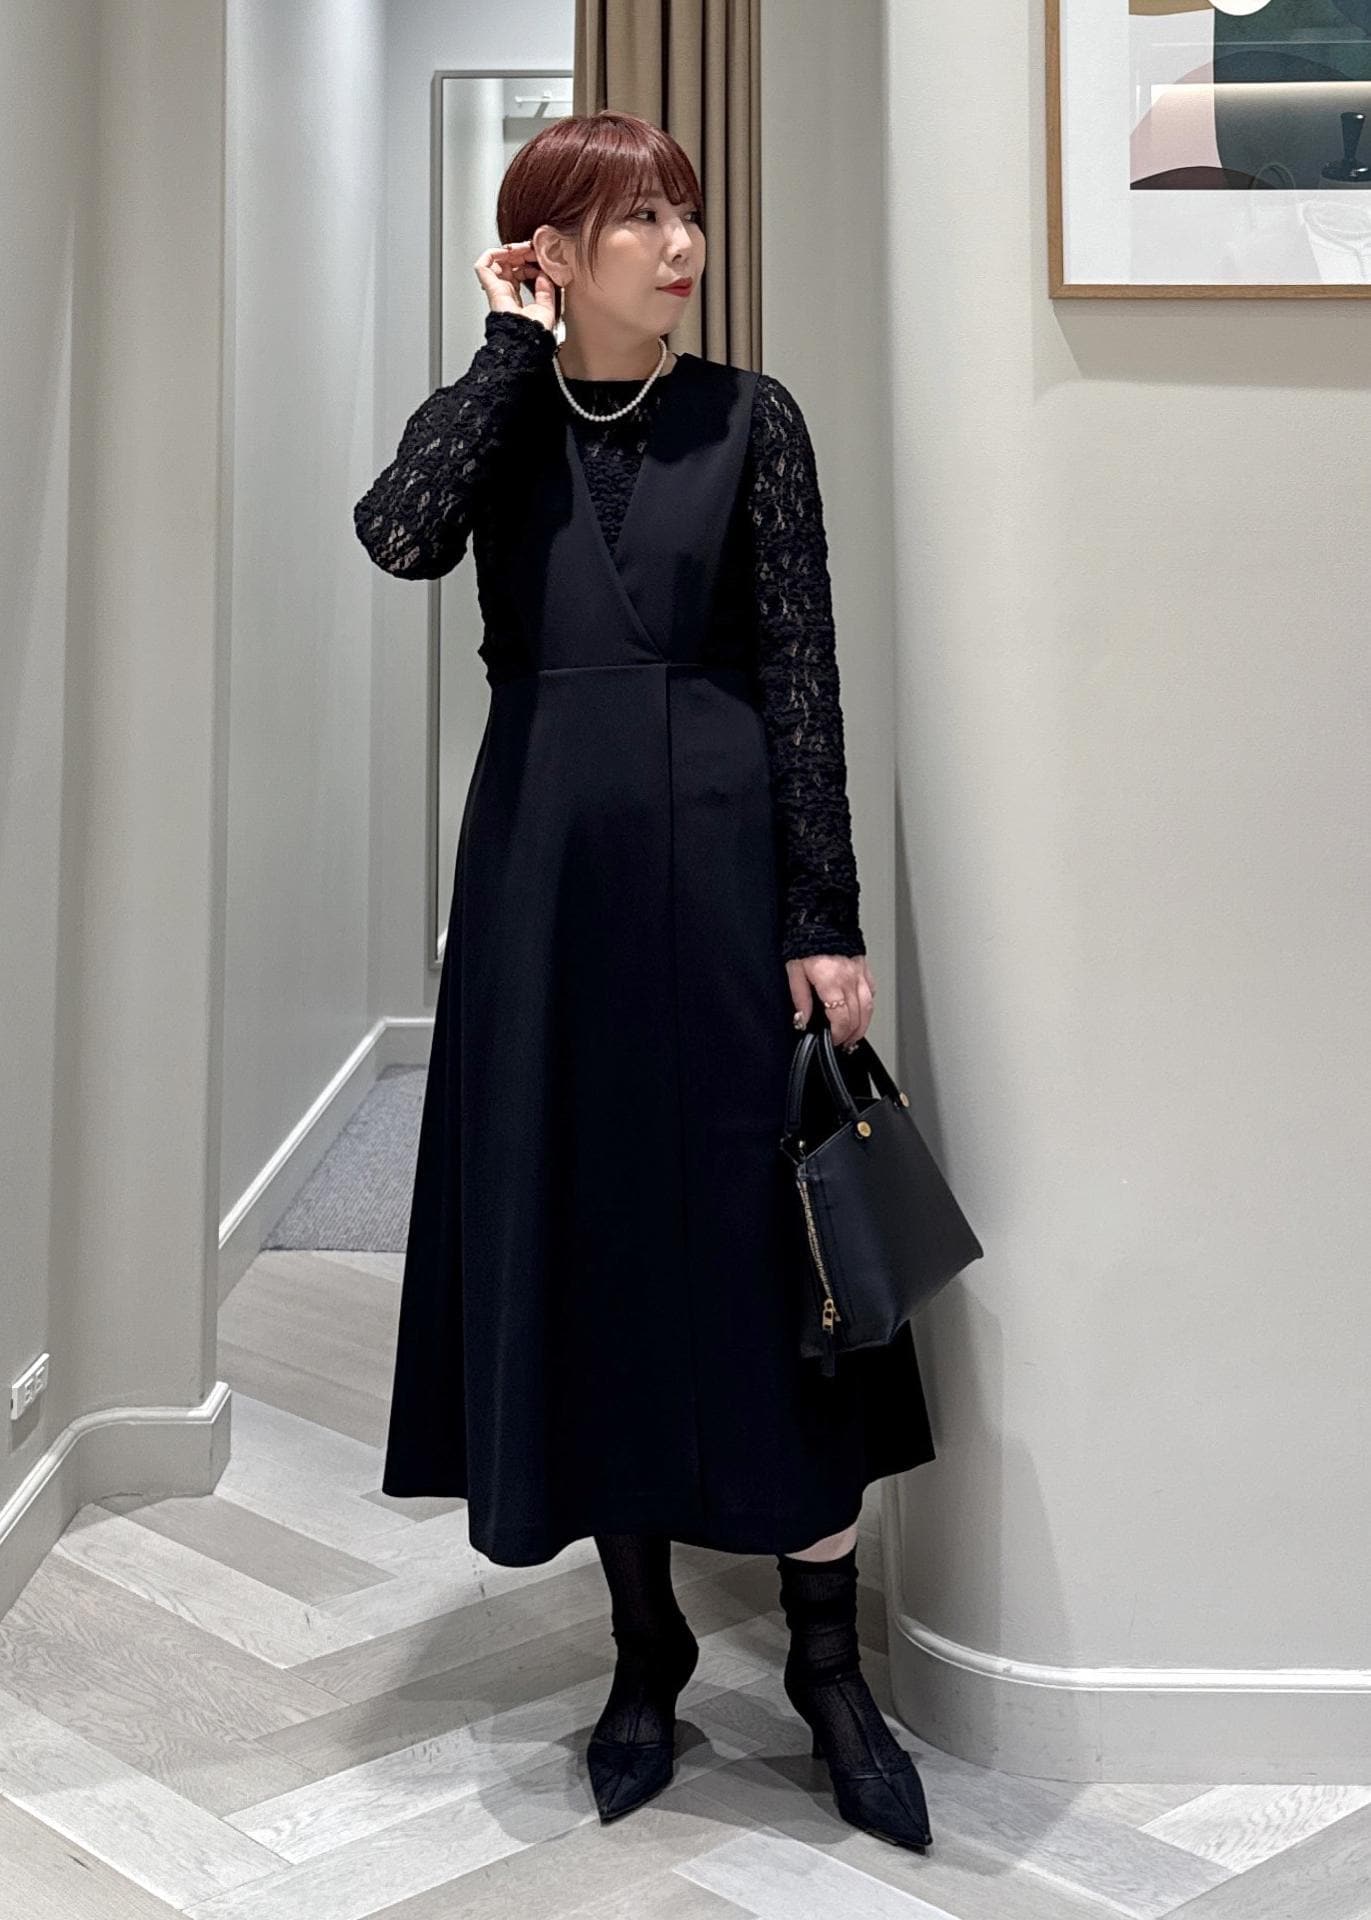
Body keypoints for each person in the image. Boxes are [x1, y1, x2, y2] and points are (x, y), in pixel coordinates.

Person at [353, 109, 936, 1851]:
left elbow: (805, 673)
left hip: (733, 872)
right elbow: (397, 533)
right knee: (591, 1239)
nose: (680, 245)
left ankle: (827, 1666)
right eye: (636, 220)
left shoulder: (755, 419)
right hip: (548, 889)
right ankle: (644, 1650)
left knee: (771, 1252)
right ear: (550, 252)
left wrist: (824, 914)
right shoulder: (499, 421)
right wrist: (502, 351)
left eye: (684, 212)